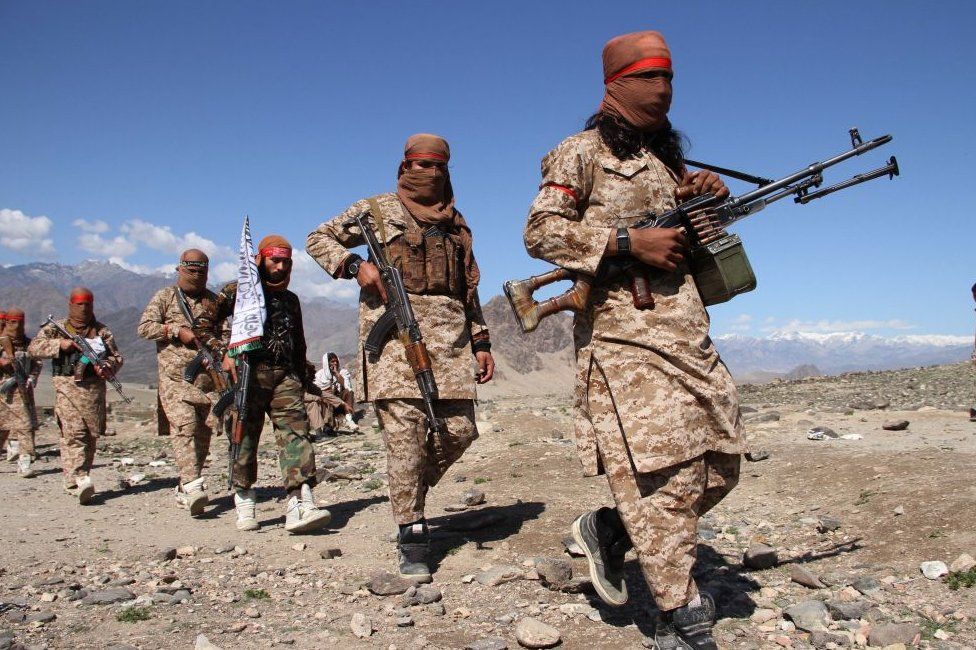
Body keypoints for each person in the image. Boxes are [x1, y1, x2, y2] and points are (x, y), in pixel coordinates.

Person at [521, 31, 745, 649]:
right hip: (622, 333)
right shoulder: (580, 153)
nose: (663, 89)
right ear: (615, 85)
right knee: (662, 476)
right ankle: (681, 614)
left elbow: (687, 240)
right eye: (649, 77)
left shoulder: (666, 160)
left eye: (669, 77)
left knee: (721, 464)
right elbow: (540, 233)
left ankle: (611, 529)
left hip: (687, 330)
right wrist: (624, 243)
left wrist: (705, 202)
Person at [307, 133, 495, 582]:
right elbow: (319, 237)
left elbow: (468, 288)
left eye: (437, 166)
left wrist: (481, 341)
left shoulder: (456, 223)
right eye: (419, 164)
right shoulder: (375, 210)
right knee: (405, 441)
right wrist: (355, 266)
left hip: (449, 343)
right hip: (393, 343)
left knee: (460, 430)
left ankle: (405, 490)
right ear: (403, 166)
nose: (428, 173)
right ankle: (411, 532)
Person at [215, 234, 331, 533]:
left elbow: (299, 342)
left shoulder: (290, 300)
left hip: (285, 377)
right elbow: (205, 324)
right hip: (247, 375)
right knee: (244, 437)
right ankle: (244, 498)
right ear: (260, 260)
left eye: (286, 262)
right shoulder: (236, 293)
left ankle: (300, 499)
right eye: (274, 260)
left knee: (297, 435)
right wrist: (224, 353)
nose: (280, 267)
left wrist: (304, 378)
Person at [138, 249, 225, 516]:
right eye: (191, 271)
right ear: (180, 270)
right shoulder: (165, 297)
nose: (197, 276)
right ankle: (192, 485)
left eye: (202, 271)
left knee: (203, 433)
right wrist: (175, 330)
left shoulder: (214, 301)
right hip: (174, 379)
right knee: (185, 427)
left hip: (206, 381)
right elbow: (144, 328)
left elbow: (226, 331)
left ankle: (185, 483)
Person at [29, 288, 124, 504]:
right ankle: (77, 480)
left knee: (90, 435)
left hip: (94, 391)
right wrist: (59, 345)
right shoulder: (58, 329)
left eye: (87, 304)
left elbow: (117, 357)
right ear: (70, 304)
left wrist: (107, 366)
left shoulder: (102, 331)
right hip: (66, 388)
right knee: (74, 433)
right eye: (79, 304)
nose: (83, 309)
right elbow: (34, 348)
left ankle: (79, 476)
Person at [0, 308, 42, 477]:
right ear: (7, 322)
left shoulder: (29, 343)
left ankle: (24, 461)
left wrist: (32, 377)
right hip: (3, 392)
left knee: (25, 427)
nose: (17, 326)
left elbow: (37, 362)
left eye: (20, 322)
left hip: (23, 390)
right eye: (13, 322)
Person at [314, 352, 358, 433]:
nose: (335, 363)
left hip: (341, 401)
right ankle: (328, 424)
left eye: (336, 361)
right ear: (327, 363)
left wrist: (336, 374)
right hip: (327, 401)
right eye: (332, 362)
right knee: (325, 397)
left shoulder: (343, 372)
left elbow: (346, 385)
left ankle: (349, 419)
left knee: (349, 392)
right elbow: (317, 390)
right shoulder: (319, 375)